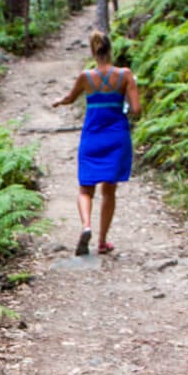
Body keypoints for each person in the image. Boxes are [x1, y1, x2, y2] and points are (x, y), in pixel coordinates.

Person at [52, 30, 141, 256]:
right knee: (109, 191)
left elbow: (70, 98)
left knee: (85, 188)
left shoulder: (86, 77)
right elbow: (137, 110)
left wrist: (58, 102)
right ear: (111, 50)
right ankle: (102, 241)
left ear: (93, 51)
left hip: (92, 137)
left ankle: (86, 226)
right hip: (116, 136)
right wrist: (124, 107)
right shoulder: (125, 75)